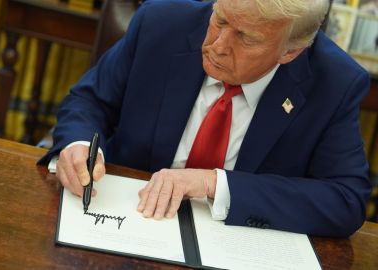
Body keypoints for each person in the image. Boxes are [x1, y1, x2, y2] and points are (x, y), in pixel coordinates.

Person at [38, 0, 372, 237]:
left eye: (245, 38)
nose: (217, 45)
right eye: (221, 20)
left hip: (235, 245)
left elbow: (345, 200)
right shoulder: (160, 24)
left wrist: (213, 183)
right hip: (121, 223)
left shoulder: (334, 82)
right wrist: (80, 144)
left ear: (290, 51)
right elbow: (89, 100)